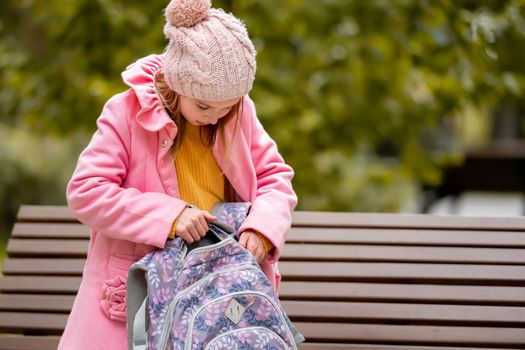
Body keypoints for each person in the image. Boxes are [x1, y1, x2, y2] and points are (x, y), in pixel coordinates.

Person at [58, 0, 297, 348]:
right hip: (144, 288)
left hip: (216, 288)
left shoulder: (238, 113)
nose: (215, 117)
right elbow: (86, 191)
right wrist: (170, 216)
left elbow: (275, 177)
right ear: (177, 82)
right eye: (203, 106)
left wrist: (262, 229)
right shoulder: (126, 113)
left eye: (226, 107)